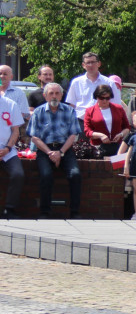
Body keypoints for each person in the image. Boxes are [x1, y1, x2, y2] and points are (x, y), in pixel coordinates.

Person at [26, 83, 81, 218]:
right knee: (46, 176)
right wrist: (50, 152)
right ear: (45, 96)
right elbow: (34, 137)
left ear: (62, 96)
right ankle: (44, 212)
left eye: (57, 93)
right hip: (45, 150)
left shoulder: (69, 111)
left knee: (75, 175)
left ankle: (74, 212)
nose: (54, 96)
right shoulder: (38, 112)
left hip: (65, 149)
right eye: (51, 93)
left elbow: (73, 135)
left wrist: (60, 152)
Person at [82, 84, 131, 157]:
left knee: (118, 168)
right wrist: (100, 136)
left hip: (117, 147)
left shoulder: (119, 108)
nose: (105, 100)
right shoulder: (90, 111)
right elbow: (87, 131)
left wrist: (121, 134)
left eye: (107, 98)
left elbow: (127, 127)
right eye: (102, 98)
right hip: (98, 147)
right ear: (97, 97)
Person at [0, 91, 25, 218]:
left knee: (18, 174)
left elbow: (16, 131)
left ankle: (9, 209)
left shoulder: (11, 104)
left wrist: (7, 148)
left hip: (7, 150)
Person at [65, 52, 111, 120]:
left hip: (103, 121)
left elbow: (115, 105)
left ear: (99, 64)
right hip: (81, 121)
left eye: (93, 62)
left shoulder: (109, 83)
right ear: (83, 65)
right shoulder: (76, 82)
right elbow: (71, 105)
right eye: (88, 63)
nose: (90, 65)